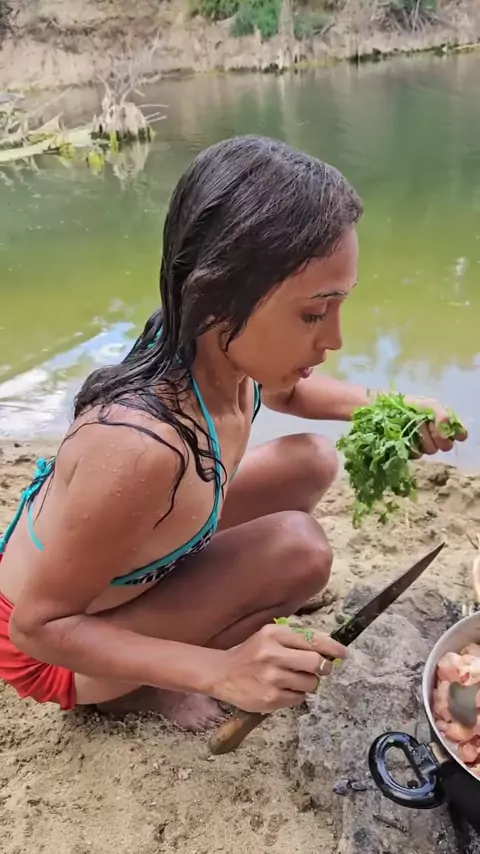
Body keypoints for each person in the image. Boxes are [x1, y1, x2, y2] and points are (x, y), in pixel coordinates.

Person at [0, 136, 466, 732]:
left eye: (339, 305)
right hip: (57, 647)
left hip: (132, 569)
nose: (335, 340)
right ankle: (136, 689)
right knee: (299, 550)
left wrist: (395, 411)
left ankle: (196, 621)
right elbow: (38, 627)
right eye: (313, 313)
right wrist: (218, 670)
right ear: (219, 295)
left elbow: (289, 393)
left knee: (311, 461)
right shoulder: (140, 447)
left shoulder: (212, 344)